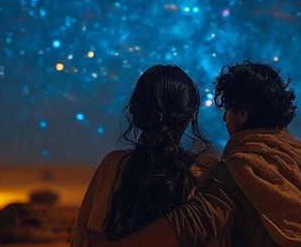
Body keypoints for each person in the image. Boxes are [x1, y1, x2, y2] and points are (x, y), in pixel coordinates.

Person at [98, 60, 301, 247]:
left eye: (227, 111)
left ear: (242, 114)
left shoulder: (245, 168)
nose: (224, 120)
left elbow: (187, 226)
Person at [71, 64, 224, 247]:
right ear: (188, 115)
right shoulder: (206, 172)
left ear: (136, 112)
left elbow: (83, 237)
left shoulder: (114, 166)